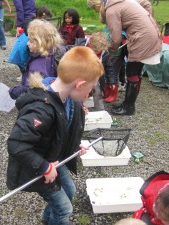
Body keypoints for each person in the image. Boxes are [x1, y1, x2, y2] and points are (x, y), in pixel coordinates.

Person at [6, 46, 104, 225]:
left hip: (54, 159)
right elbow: (16, 144)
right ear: (80, 84)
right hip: (36, 168)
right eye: (91, 88)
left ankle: (47, 219)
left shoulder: (68, 99)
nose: (90, 93)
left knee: (70, 191)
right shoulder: (41, 110)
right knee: (64, 208)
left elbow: (61, 131)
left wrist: (75, 146)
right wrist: (43, 166)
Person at [88, 0, 162, 115]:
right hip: (150, 33)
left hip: (142, 37)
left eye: (94, 9)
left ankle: (129, 107)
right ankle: (127, 103)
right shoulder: (120, 1)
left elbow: (116, 39)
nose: (95, 11)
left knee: (132, 71)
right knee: (136, 71)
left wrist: (109, 53)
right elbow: (146, 3)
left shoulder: (111, 10)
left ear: (97, 6)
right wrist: (147, 19)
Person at [9, 19, 63, 100]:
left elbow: (31, 90)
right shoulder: (53, 53)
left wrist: (13, 91)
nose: (27, 43)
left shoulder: (37, 66)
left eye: (31, 41)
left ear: (41, 43)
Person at [87, 31, 115, 110]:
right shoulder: (84, 48)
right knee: (81, 94)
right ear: (90, 45)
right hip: (84, 76)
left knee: (98, 93)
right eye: (95, 50)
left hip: (97, 78)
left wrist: (112, 81)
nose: (97, 52)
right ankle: (81, 109)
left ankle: (100, 110)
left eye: (98, 51)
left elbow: (109, 68)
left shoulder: (105, 54)